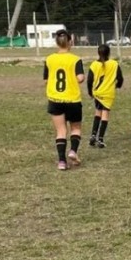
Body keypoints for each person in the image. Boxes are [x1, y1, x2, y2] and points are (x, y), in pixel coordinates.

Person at [43, 29, 85, 170]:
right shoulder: (75, 59)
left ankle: (61, 161)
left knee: (60, 131)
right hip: (72, 99)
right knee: (76, 128)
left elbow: (46, 79)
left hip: (55, 99)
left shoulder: (49, 59)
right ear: (70, 42)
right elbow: (80, 78)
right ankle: (73, 151)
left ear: (57, 43)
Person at [87, 44, 124, 148]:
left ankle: (93, 135)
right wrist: (118, 85)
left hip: (97, 93)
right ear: (109, 53)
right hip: (108, 94)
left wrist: (90, 92)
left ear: (98, 53)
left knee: (98, 113)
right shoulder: (114, 64)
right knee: (105, 115)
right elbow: (120, 78)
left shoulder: (94, 65)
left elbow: (89, 80)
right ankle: (101, 139)